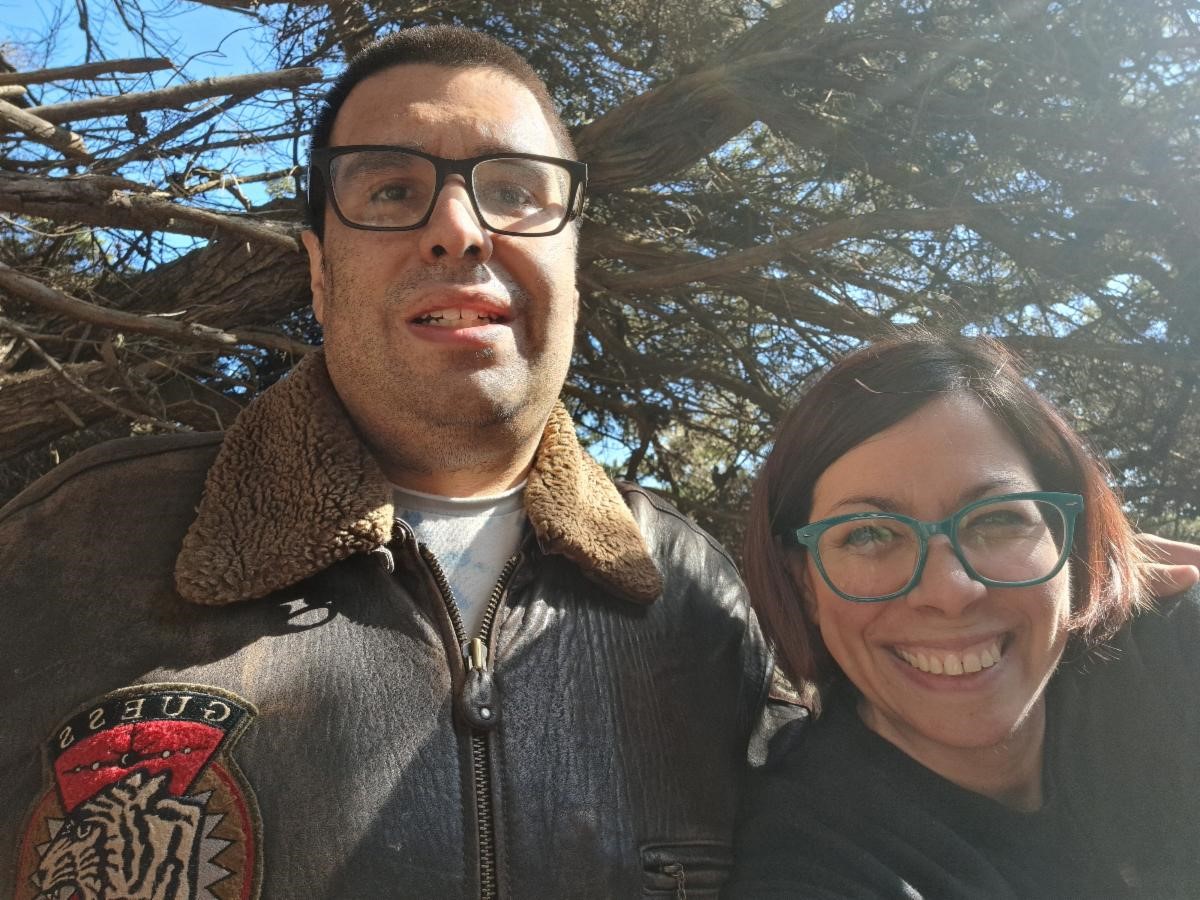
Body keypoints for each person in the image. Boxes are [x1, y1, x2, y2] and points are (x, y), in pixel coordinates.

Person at [0, 27, 784, 898]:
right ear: (319, 275)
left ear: (574, 268)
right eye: (392, 189)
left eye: (514, 191)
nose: (459, 230)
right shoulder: (67, 551)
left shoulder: (701, 602)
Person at [726, 332, 1200, 899]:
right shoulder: (809, 863)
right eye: (869, 534)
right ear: (805, 584)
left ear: (1065, 539)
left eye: (997, 519)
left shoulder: (1170, 660)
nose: (950, 592)